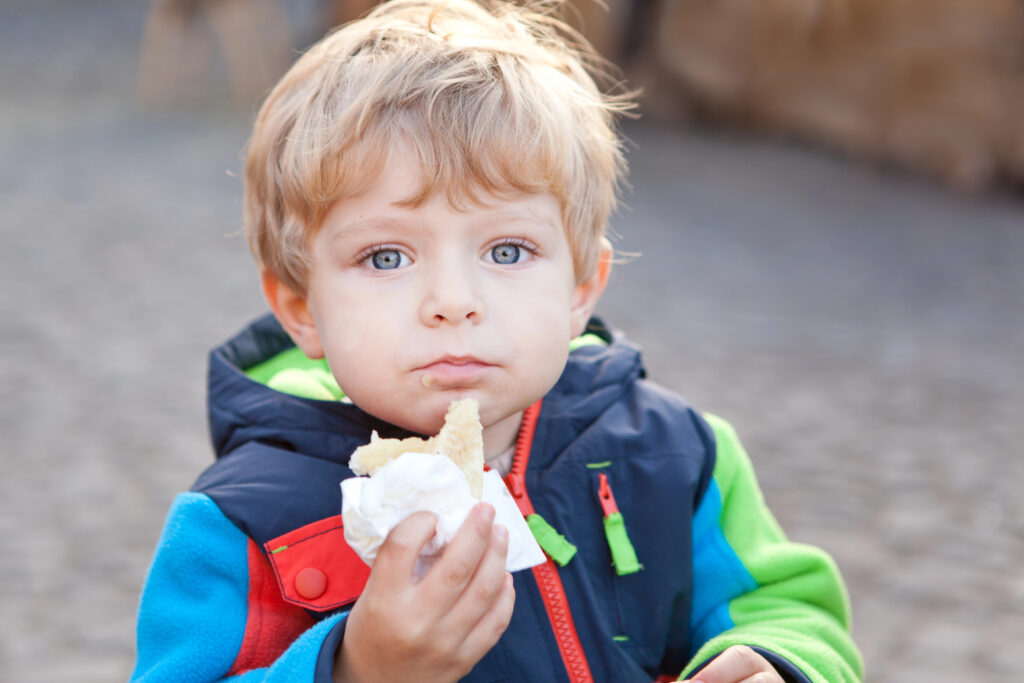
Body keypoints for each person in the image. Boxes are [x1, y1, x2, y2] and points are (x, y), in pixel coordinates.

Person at [130, 0, 862, 681]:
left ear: (581, 286)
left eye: (507, 251)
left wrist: (777, 661)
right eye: (386, 256)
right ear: (301, 307)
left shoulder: (678, 455)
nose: (454, 302)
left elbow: (789, 607)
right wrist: (355, 667)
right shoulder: (241, 527)